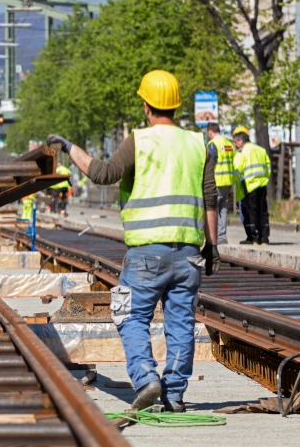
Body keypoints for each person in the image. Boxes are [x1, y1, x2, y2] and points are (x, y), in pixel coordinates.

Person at [47, 70, 220, 413]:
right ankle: (174, 394)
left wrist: (69, 147)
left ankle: (145, 377)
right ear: (176, 106)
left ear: (146, 106)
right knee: (181, 322)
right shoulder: (198, 143)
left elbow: (102, 174)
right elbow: (211, 198)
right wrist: (212, 247)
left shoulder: (139, 141)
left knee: (127, 313)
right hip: (189, 254)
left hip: (146, 254)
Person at [232, 126, 271, 245]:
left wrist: (233, 181)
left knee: (252, 212)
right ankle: (264, 239)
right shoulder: (261, 150)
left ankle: (254, 238)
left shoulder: (242, 152)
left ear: (241, 141)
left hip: (249, 187)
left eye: (235, 142)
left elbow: (236, 169)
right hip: (262, 185)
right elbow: (268, 168)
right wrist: (264, 180)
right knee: (263, 212)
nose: (235, 145)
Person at [206, 123, 236, 245]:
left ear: (210, 132)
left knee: (212, 209)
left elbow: (210, 163)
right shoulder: (229, 144)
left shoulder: (213, 144)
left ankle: (212, 238)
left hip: (216, 182)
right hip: (227, 181)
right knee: (223, 209)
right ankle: (222, 237)